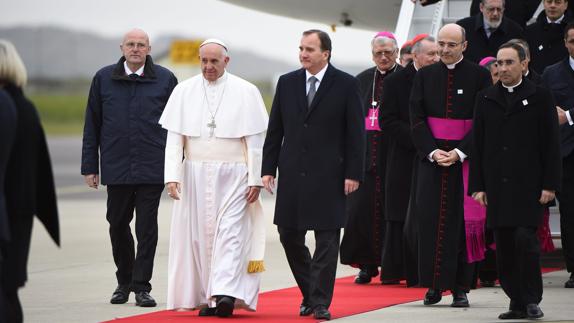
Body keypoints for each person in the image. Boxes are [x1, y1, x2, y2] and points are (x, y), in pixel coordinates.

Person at [159, 39, 268, 317]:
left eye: (214, 62)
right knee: (200, 239)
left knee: (231, 235)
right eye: (203, 61)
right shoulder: (184, 91)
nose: (208, 67)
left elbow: (255, 141)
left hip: (234, 175)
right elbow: (174, 140)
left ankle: (227, 294)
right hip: (195, 174)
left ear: (226, 62)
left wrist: (255, 178)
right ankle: (211, 297)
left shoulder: (246, 91)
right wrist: (172, 175)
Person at [262, 29, 365, 321]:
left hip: (331, 176)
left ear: (325, 53)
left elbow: (356, 134)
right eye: (301, 48)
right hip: (293, 174)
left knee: (327, 240)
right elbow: (276, 130)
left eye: (309, 49)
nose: (303, 54)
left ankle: (319, 302)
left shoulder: (346, 84)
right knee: (288, 235)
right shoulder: (287, 83)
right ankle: (310, 291)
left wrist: (353, 173)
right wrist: (268, 168)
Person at [81, 28, 177, 307]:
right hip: (117, 165)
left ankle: (141, 286)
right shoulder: (103, 79)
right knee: (117, 223)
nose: (136, 49)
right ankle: (123, 281)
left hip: (152, 166)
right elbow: (92, 124)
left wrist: (175, 166)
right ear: (122, 47)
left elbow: (177, 126)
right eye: (131, 44)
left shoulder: (165, 79)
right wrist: (90, 165)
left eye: (141, 45)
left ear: (149, 49)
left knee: (147, 228)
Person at [470, 42, 562, 320]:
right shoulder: (485, 98)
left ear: (524, 64)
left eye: (510, 62)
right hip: (498, 186)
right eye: (500, 63)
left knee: (526, 241)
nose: (503, 68)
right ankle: (515, 301)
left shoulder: (541, 97)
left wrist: (550, 184)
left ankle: (532, 299)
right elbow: (478, 144)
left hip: (529, 186)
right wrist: (478, 186)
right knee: (505, 245)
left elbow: (551, 145)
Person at [409, 24, 492, 307]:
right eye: (441, 44)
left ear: (464, 47)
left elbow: (482, 121)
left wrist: (459, 152)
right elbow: (416, 118)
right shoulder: (425, 75)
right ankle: (433, 286)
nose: (444, 50)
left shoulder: (480, 76)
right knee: (430, 222)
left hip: (464, 162)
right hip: (432, 161)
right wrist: (432, 151)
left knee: (460, 225)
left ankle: (460, 288)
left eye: (451, 45)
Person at [0, 39, 60, 323]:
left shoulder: (7, 106)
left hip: (9, 210)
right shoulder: (25, 107)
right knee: (9, 289)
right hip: (21, 209)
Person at [340, 31, 401, 285]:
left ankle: (392, 266)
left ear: (396, 52)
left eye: (388, 52)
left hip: (393, 156)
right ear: (372, 54)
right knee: (360, 213)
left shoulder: (406, 79)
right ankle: (366, 266)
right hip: (365, 157)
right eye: (379, 53)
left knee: (392, 213)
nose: (384, 57)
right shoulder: (361, 80)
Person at [381, 35, 439, 287]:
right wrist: (419, 140)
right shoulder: (395, 82)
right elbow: (388, 120)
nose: (436, 58)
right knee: (400, 216)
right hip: (406, 156)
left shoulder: (441, 78)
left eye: (437, 54)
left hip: (436, 156)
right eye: (431, 54)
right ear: (415, 56)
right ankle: (399, 270)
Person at [542, 22, 574, 289]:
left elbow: (564, 115)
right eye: (572, 40)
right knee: (570, 213)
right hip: (566, 153)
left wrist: (570, 116)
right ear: (565, 42)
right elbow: (545, 106)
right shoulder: (552, 73)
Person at [456, 0, 524, 64]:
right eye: (491, 9)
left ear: (503, 9)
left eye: (499, 9)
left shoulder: (515, 31)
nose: (495, 13)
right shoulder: (463, 28)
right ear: (481, 7)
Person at [526, 0, 572, 74]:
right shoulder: (530, 31)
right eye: (549, 2)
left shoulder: (572, 31)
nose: (552, 5)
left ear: (565, 5)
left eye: (557, 2)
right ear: (544, 3)